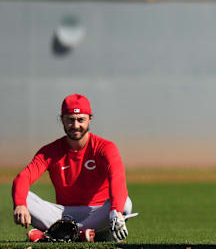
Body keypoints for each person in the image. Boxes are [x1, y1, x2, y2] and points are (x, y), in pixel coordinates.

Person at [12, 94, 135, 242]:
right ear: (62, 119)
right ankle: (81, 234)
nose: (75, 125)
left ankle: (58, 234)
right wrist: (20, 204)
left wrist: (116, 212)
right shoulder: (50, 151)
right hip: (63, 215)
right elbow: (23, 177)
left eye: (80, 119)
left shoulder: (105, 148)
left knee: (125, 204)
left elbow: (117, 177)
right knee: (23, 196)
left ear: (90, 119)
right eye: (70, 119)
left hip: (98, 213)